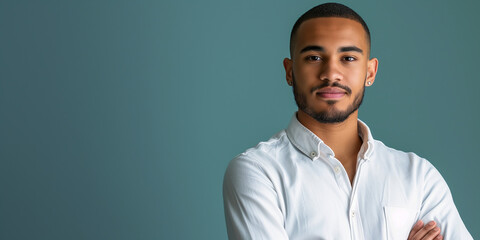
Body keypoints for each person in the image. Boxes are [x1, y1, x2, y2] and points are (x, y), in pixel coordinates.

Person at [223, 2, 473, 240]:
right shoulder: (258, 172)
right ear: (290, 71)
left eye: (349, 58)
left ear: (370, 72)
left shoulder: (419, 177)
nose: (331, 73)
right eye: (314, 57)